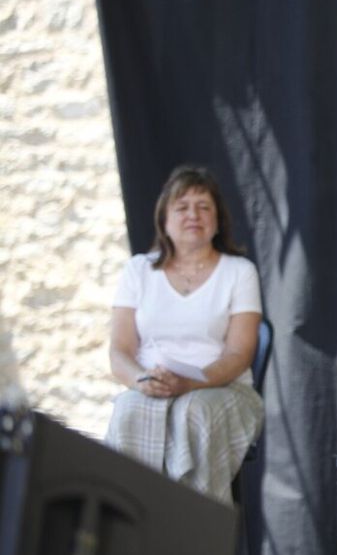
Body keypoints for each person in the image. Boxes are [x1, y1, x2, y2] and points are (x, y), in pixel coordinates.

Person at [105, 165, 264, 504]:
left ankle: (195, 529)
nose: (193, 214)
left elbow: (239, 354)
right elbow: (119, 351)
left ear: (217, 219)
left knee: (193, 410)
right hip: (152, 385)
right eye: (182, 207)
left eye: (204, 206)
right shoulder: (138, 270)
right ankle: (132, 525)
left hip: (222, 388)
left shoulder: (239, 272)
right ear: (164, 219)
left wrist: (192, 383)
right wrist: (142, 380)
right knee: (130, 409)